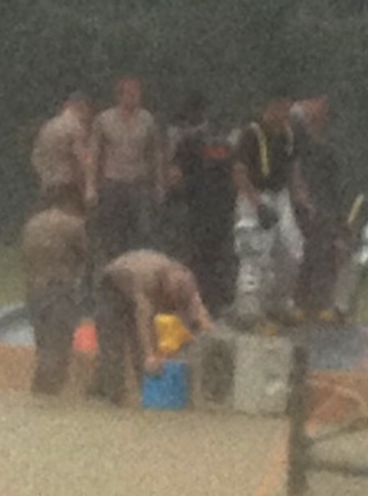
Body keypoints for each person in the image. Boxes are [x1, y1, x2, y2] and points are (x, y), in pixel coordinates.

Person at [90, 249, 213, 405]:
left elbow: (198, 312)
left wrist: (208, 336)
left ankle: (147, 393)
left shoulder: (186, 282)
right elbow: (143, 322)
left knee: (141, 346)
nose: (174, 307)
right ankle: (111, 394)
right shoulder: (147, 280)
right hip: (112, 286)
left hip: (136, 288)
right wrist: (150, 356)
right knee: (115, 344)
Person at [228, 96, 299, 330]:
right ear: (272, 107)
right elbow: (239, 172)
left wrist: (300, 197)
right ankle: (247, 307)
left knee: (292, 250)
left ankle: (278, 302)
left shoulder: (286, 134)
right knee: (253, 251)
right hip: (255, 194)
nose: (286, 114)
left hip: (280, 196)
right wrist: (257, 204)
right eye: (283, 109)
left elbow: (291, 168)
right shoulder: (251, 134)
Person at [165, 91, 238, 317]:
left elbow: (175, 174)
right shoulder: (223, 143)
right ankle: (210, 301)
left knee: (202, 255)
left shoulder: (190, 140)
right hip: (212, 206)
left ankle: (204, 302)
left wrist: (175, 195)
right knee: (213, 255)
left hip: (203, 206)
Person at [88, 76, 166, 272]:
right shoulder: (104, 120)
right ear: (120, 96)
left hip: (138, 183)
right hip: (113, 182)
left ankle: (140, 270)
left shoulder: (147, 119)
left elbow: (154, 152)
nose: (135, 97)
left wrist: (159, 183)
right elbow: (95, 153)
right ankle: (113, 272)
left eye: (137, 93)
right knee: (113, 233)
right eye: (130, 93)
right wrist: (91, 186)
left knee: (143, 231)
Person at [285, 96, 351, 321]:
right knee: (305, 251)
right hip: (300, 207)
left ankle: (320, 301)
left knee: (325, 250)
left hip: (322, 210)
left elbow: (336, 192)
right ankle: (301, 300)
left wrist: (339, 225)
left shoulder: (329, 153)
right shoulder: (296, 146)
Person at [20, 191, 89, 396]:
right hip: (60, 289)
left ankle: (38, 395)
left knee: (43, 346)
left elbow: (24, 258)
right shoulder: (73, 224)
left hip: (34, 290)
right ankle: (49, 398)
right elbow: (86, 256)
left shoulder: (31, 224)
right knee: (58, 348)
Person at [29, 92, 92, 215]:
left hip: (47, 185)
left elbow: (35, 158)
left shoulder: (48, 126)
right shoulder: (76, 127)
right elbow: (83, 160)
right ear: (82, 106)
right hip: (68, 187)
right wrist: (88, 188)